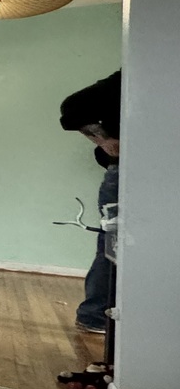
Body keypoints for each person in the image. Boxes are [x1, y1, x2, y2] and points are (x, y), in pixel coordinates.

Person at [59, 70, 121, 343]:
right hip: (124, 177)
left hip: (134, 175)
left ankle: (97, 315)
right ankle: (95, 316)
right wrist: (105, 140)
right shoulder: (130, 79)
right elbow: (73, 108)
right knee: (114, 250)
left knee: (115, 248)